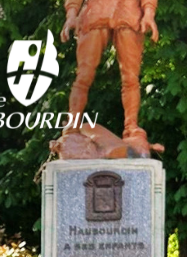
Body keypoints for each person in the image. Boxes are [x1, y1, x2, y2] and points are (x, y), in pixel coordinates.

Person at [61, 0, 159, 149]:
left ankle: (131, 128)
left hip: (128, 13)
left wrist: (149, 13)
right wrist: (71, 13)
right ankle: (72, 125)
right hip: (95, 14)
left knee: (131, 78)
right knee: (83, 77)